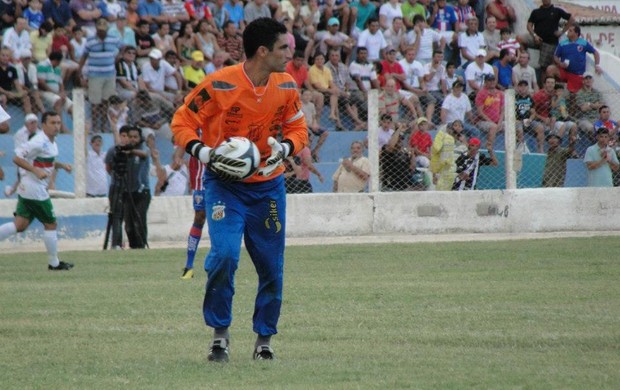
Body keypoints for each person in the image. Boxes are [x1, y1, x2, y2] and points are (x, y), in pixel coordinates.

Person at [170, 18, 308, 362]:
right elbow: (182, 121)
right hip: (225, 187)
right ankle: (220, 336)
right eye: (284, 48)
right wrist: (203, 152)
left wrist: (285, 149)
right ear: (263, 51)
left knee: (271, 267)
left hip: (268, 188)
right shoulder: (219, 84)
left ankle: (264, 341)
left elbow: (298, 127)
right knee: (225, 256)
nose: (290, 54)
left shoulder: (287, 85)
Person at [0, 111, 74, 270]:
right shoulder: (38, 141)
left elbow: (46, 161)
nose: (56, 126)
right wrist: (35, 171)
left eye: (58, 123)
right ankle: (54, 264)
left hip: (28, 189)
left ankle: (54, 263)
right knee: (51, 223)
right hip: (35, 190)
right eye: (53, 123)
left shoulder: (51, 142)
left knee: (19, 225)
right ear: (43, 125)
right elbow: (17, 158)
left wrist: (61, 166)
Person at [78, 18, 122, 133]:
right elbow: (84, 56)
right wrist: (80, 71)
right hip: (95, 74)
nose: (102, 32)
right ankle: (96, 127)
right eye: (100, 30)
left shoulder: (113, 38)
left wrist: (117, 58)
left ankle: (103, 126)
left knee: (106, 102)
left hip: (110, 74)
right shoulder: (90, 40)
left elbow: (123, 47)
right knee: (95, 103)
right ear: (96, 29)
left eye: (103, 30)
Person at [546, 25, 602, 94]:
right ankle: (550, 92)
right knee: (550, 69)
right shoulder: (562, 43)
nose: (567, 32)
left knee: (573, 97)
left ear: (576, 33)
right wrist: (560, 63)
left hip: (577, 75)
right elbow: (555, 56)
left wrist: (597, 65)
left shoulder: (583, 43)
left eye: (570, 31)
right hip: (564, 72)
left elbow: (596, 53)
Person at [526, 0, 573, 73]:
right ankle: (524, 58)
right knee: (519, 38)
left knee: (544, 68)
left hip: (550, 42)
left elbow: (571, 19)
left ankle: (545, 83)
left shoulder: (557, 11)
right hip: (536, 39)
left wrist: (562, 32)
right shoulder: (535, 12)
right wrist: (535, 35)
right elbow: (529, 25)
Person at [430, 120, 465, 191]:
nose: (450, 131)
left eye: (459, 126)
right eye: (451, 128)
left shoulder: (463, 146)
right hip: (442, 171)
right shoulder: (442, 143)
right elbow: (435, 158)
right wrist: (434, 175)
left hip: (456, 174)